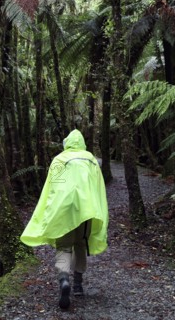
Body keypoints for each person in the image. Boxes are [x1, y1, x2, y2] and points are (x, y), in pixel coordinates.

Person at [20, 129, 109, 310]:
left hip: (63, 210)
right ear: (82, 142)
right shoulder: (90, 159)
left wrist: (48, 212)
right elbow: (98, 187)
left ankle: (63, 280)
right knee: (80, 244)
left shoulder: (59, 160)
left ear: (66, 143)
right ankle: (77, 285)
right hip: (86, 209)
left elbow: (52, 189)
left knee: (64, 246)